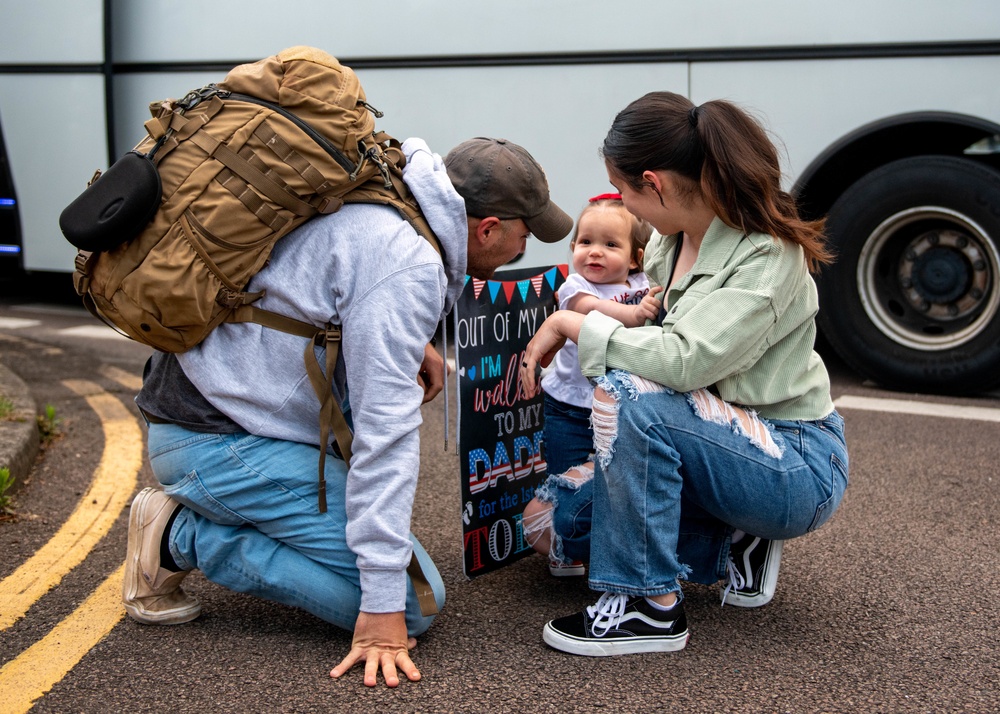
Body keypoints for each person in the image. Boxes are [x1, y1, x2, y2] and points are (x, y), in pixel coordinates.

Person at [124, 137, 573, 685]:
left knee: (389, 569)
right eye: (522, 239)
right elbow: (386, 439)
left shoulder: (389, 198)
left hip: (213, 410)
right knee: (413, 604)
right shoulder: (404, 263)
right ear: (487, 229)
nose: (520, 251)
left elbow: (320, 286)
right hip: (216, 440)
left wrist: (410, 341)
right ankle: (180, 536)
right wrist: (381, 610)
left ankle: (208, 521)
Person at [519, 92, 849, 657]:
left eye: (623, 191)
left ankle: (649, 608)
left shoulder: (768, 255)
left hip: (791, 460)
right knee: (552, 523)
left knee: (627, 394)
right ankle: (731, 542)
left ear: (655, 183)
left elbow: (681, 361)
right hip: (707, 439)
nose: (626, 205)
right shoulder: (671, 244)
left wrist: (570, 324)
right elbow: (659, 349)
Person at [521, 193, 658, 577]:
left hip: (616, 405)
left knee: (606, 481)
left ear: (635, 258)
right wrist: (634, 313)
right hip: (570, 406)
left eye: (610, 244)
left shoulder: (644, 284)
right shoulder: (576, 286)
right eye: (585, 242)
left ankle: (591, 542)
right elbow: (587, 311)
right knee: (566, 475)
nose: (594, 252)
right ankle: (565, 550)